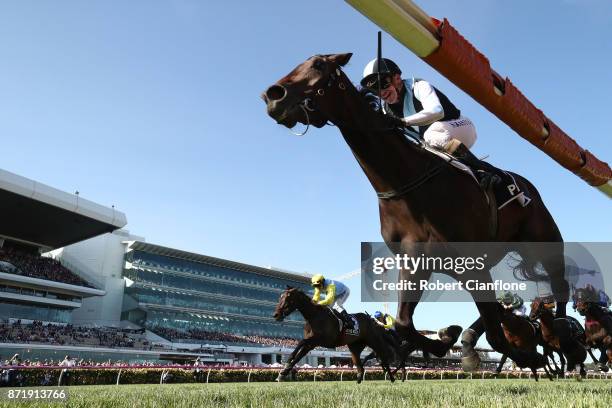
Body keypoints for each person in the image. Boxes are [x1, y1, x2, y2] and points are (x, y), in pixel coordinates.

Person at [361, 57, 499, 184]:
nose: (381, 93)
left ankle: (483, 170)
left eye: (383, 84)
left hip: (461, 127)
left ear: (397, 78)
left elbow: (437, 111)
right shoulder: (386, 110)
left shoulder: (419, 86)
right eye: (375, 90)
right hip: (435, 145)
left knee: (431, 135)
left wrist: (402, 121)